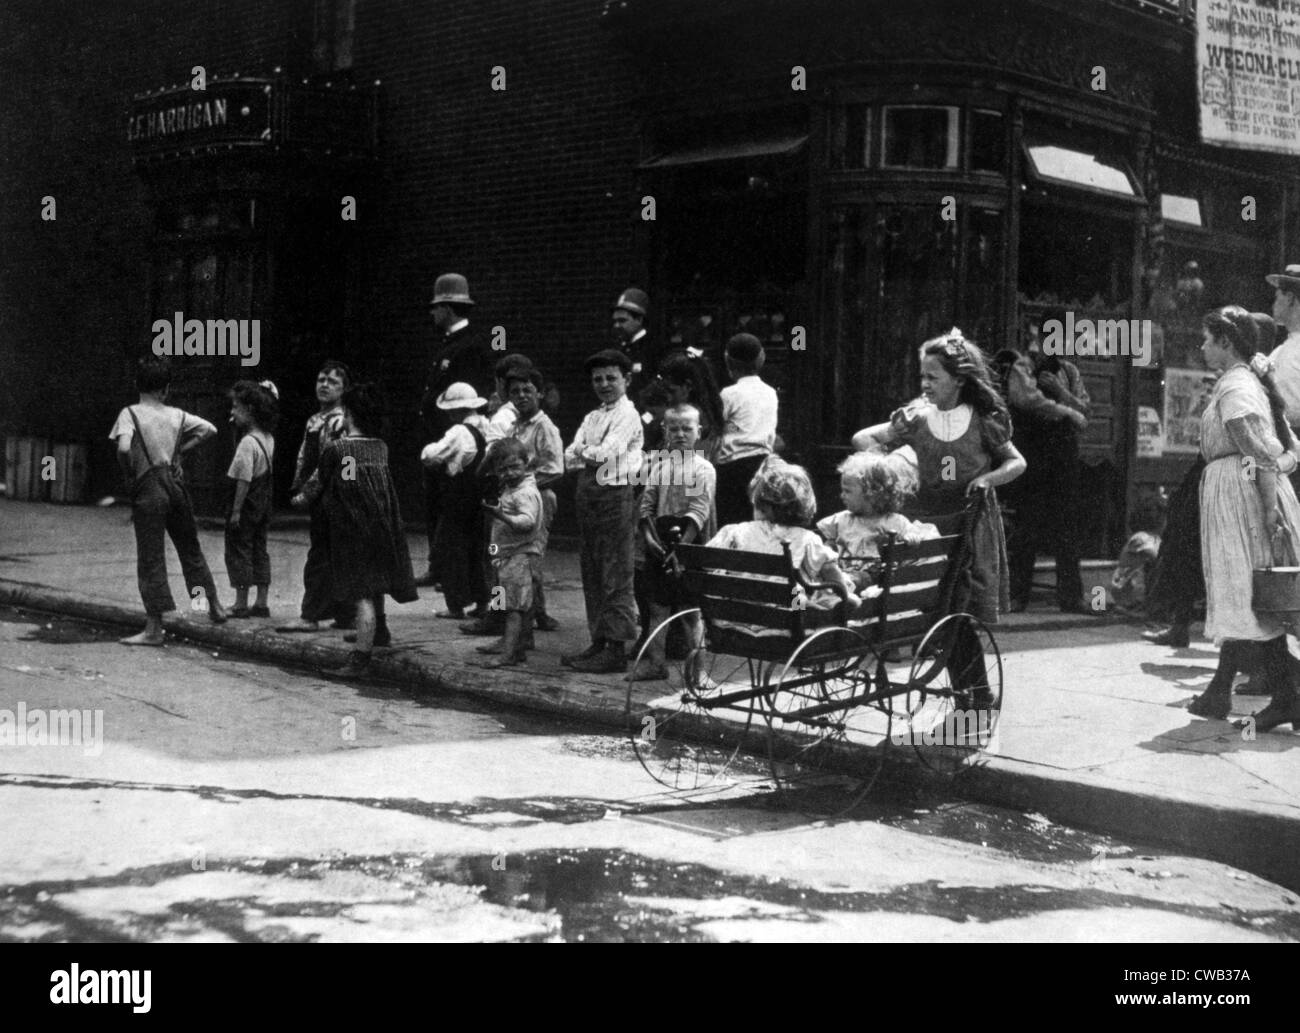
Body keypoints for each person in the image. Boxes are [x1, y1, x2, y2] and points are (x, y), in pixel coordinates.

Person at [853, 329, 1025, 626]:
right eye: (923, 377)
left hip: (970, 520)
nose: (925, 384)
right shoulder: (918, 418)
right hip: (928, 519)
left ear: (959, 379)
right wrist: (895, 449)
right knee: (923, 592)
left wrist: (988, 480)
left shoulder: (982, 420)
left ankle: (957, 650)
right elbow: (862, 440)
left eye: (933, 378)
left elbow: (1016, 462)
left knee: (962, 604)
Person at [1186, 306, 1300, 732]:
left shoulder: (1236, 386)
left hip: (1243, 497)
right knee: (1244, 595)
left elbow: (1263, 456)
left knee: (1249, 595)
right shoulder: (1240, 382)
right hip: (1236, 494)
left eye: (1207, 339)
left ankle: (1287, 696)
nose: (1202, 346)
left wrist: (1270, 512)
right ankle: (1271, 695)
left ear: (1226, 343)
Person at [292, 382, 417, 678]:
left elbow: (317, 484)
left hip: (354, 528)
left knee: (361, 592)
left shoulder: (339, 448)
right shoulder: (381, 447)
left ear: (348, 414)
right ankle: (379, 631)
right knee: (377, 583)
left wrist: (298, 499)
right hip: (383, 525)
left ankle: (360, 657)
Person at [109, 357, 227, 645]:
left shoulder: (130, 413)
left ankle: (153, 629)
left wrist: (128, 472)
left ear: (137, 384)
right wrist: (181, 453)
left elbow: (124, 447)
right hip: (175, 485)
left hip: (147, 487)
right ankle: (213, 606)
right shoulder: (178, 415)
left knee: (151, 557)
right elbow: (209, 430)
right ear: (166, 389)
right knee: (190, 549)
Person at [706, 457, 859, 634]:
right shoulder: (807, 539)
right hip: (787, 617)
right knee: (821, 594)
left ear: (760, 504)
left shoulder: (733, 532)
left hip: (733, 615)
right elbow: (832, 572)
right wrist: (846, 595)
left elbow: (707, 560)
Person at [562, 349, 644, 674]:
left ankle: (616, 648)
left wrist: (585, 451)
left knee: (616, 572)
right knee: (592, 569)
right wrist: (586, 452)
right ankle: (598, 640)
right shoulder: (593, 417)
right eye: (598, 379)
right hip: (588, 495)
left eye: (611, 377)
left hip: (615, 495)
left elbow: (607, 455)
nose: (604, 384)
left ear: (627, 379)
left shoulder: (628, 415)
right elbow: (568, 457)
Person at [1004, 320, 1093, 613]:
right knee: (1027, 524)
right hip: (1034, 453)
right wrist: (1067, 411)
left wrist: (1063, 393)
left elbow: (1085, 410)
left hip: (1064, 455)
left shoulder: (1069, 371)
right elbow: (1028, 399)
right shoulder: (1023, 367)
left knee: (1068, 526)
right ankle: (1017, 595)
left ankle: (1071, 597)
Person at [629, 403, 717, 681]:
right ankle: (656, 664)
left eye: (687, 428)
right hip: (659, 542)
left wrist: (681, 550)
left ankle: (699, 672)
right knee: (657, 609)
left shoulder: (701, 468)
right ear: (665, 431)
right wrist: (649, 539)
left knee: (691, 613)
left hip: (690, 545)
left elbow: (697, 512)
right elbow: (647, 505)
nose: (680, 434)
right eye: (674, 428)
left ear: (698, 432)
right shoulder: (660, 468)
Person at [417, 273, 491, 587]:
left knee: (450, 509)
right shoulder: (450, 345)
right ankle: (440, 566)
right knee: (436, 505)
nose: (432, 313)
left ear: (448, 307)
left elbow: (469, 399)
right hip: (441, 438)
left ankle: (447, 570)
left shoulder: (470, 346)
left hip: (455, 444)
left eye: (436, 307)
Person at [277, 360, 352, 634]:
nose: (324, 385)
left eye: (333, 382)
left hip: (334, 494)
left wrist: (307, 493)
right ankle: (345, 613)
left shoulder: (340, 421)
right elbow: (303, 457)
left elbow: (330, 462)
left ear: (344, 389)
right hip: (320, 494)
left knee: (323, 556)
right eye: (321, 379)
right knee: (333, 554)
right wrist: (298, 486)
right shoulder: (314, 419)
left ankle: (311, 615)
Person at [816, 451, 939, 593]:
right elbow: (828, 544)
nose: (842, 496)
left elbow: (915, 535)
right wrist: (827, 552)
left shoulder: (894, 521)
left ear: (872, 494)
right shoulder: (842, 519)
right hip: (843, 574)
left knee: (855, 579)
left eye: (847, 491)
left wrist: (910, 537)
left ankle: (842, 590)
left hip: (874, 577)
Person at [420, 382, 491, 620]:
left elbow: (432, 456)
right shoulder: (487, 426)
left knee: (450, 551)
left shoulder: (458, 432)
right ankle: (482, 602)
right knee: (476, 552)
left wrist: (428, 449)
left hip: (458, 496)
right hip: (479, 497)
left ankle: (455, 606)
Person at [476, 438, 544, 667]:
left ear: (527, 464)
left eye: (515, 466)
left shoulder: (524, 493)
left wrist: (501, 515)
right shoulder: (511, 488)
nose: (509, 473)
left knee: (515, 607)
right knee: (504, 600)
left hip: (518, 555)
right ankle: (511, 643)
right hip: (504, 555)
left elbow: (527, 522)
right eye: (503, 469)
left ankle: (508, 654)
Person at [223, 380, 278, 618]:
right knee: (259, 549)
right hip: (264, 502)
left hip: (246, 504)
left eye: (236, 407)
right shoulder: (268, 437)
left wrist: (235, 510)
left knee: (239, 550)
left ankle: (241, 602)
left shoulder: (247, 443)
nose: (232, 412)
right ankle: (262, 601)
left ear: (250, 410)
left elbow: (243, 479)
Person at [714, 332, 779, 527]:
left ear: (728, 361)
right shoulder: (770, 392)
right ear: (761, 358)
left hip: (732, 469)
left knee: (731, 522)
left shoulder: (729, 394)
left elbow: (717, 428)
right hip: (762, 465)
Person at [658, 351, 725, 460]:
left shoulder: (692, 420)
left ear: (688, 386)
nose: (668, 398)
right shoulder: (709, 413)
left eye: (672, 391)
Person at [611, 287, 653, 388]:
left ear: (639, 320)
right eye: (615, 321)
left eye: (622, 320)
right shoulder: (620, 349)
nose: (616, 326)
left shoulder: (652, 348)